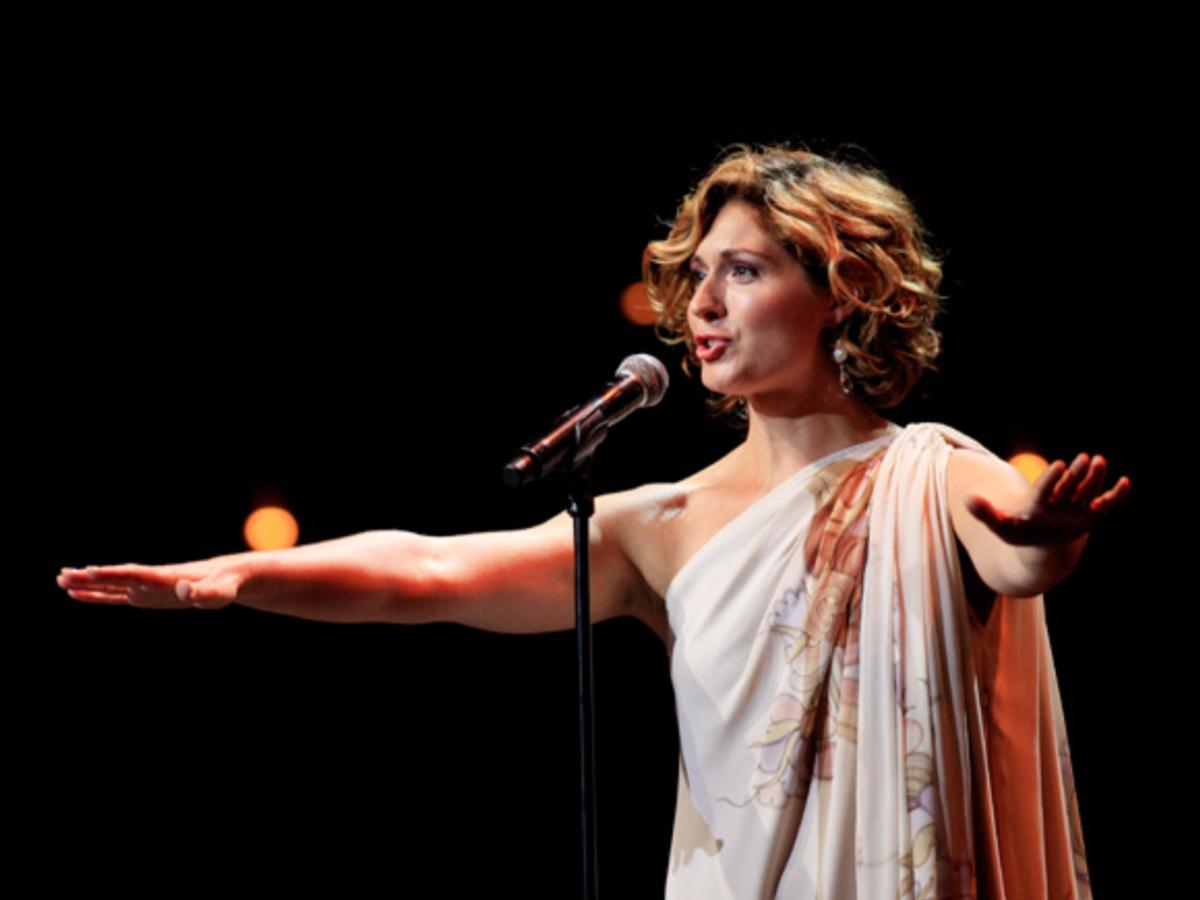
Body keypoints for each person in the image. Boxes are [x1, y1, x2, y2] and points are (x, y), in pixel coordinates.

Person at [57, 142, 1130, 898]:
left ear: (840, 291)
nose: (702, 305)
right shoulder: (660, 521)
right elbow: (424, 570)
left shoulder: (928, 471)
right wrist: (243, 577)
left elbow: (1014, 553)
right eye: (698, 275)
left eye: (744, 271)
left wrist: (1047, 533)